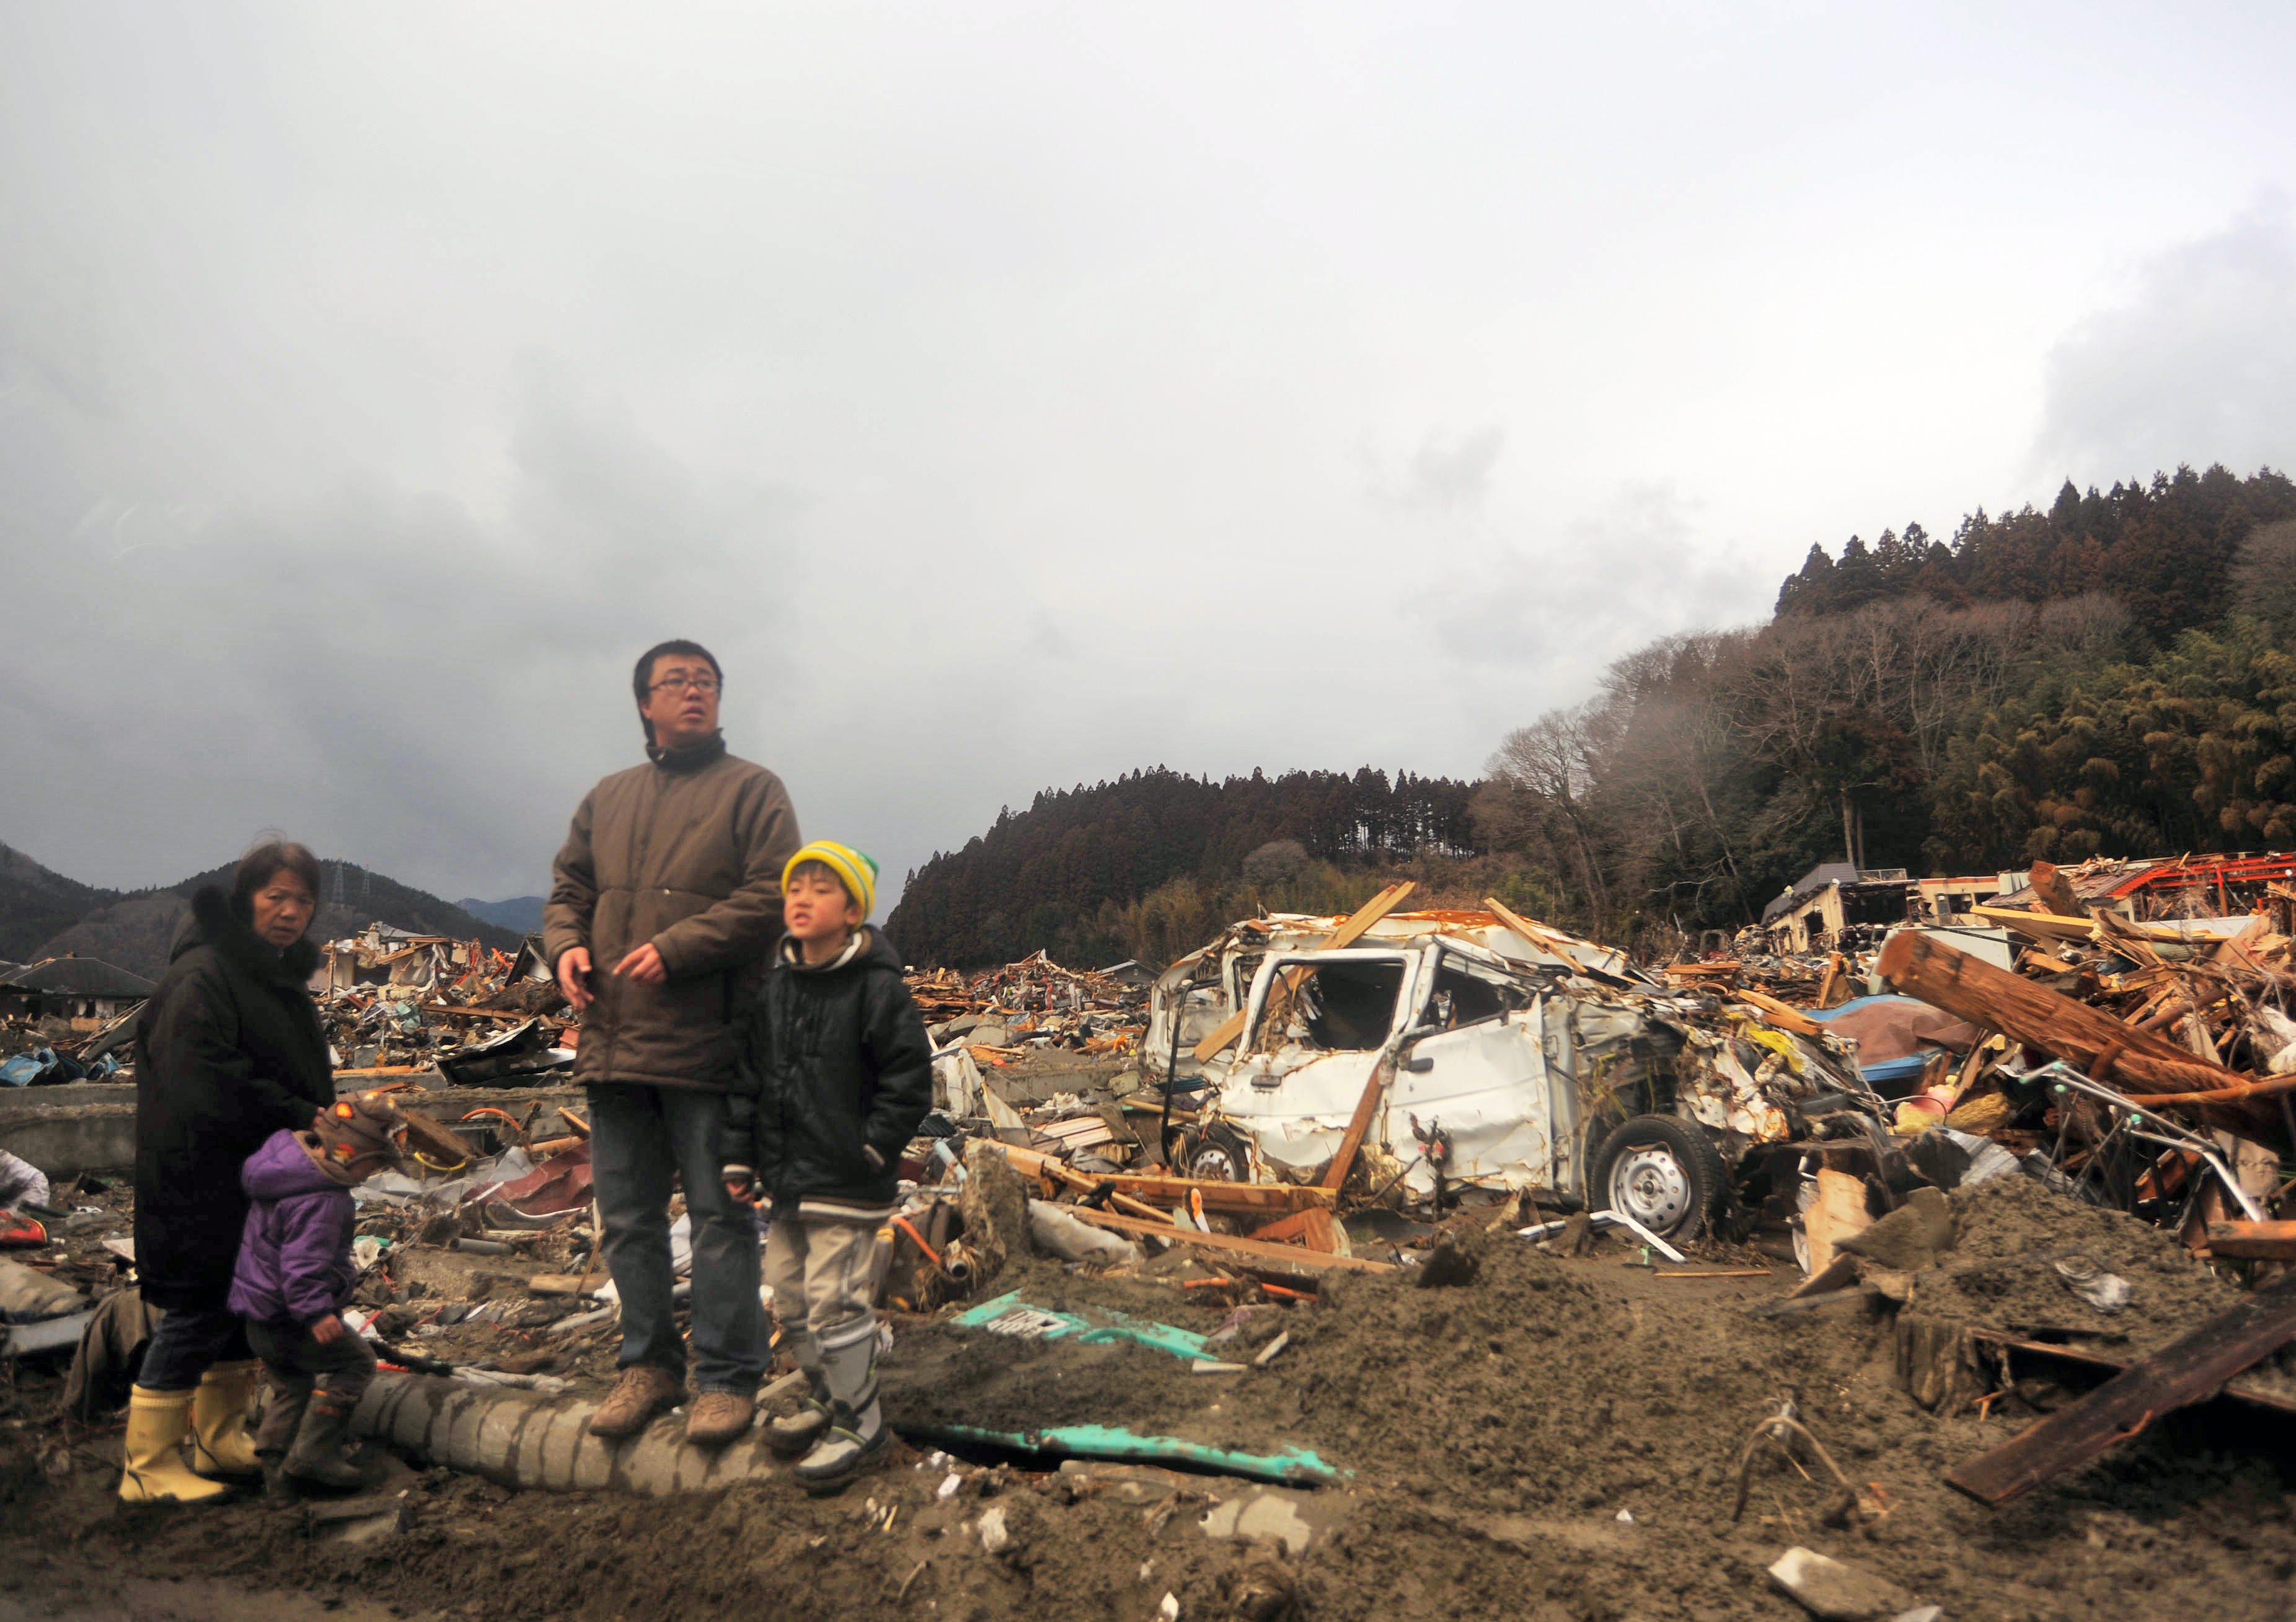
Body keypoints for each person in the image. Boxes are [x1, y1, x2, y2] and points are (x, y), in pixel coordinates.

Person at [544, 639, 802, 1447]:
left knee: (720, 1216)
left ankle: (726, 1379)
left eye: (707, 681)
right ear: (645, 703)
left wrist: (679, 947)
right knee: (628, 1219)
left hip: (711, 1040)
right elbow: (569, 890)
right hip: (614, 1039)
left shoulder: (752, 790)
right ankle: (648, 1367)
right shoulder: (608, 796)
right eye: (676, 681)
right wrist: (565, 947)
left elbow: (773, 895)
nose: (694, 692)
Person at [124, 842, 335, 1504]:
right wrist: (298, 1113)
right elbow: (203, 1079)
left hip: (254, 1176)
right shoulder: (204, 975)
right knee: (195, 1310)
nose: (290, 912)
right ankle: (147, 1464)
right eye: (277, 896)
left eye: (303, 900)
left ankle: (218, 1437)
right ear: (247, 899)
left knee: (237, 1304)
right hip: (200, 1176)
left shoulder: (272, 977)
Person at [720, 840, 933, 1493]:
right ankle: (829, 1395)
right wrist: (740, 1157)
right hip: (788, 1182)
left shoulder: (877, 989)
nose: (802, 899)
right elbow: (749, 1079)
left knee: (834, 1302)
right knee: (789, 1296)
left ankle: (863, 1426)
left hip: (847, 1182)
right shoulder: (776, 990)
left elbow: (909, 1082)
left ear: (851, 912)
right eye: (795, 888)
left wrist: (871, 1149)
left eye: (820, 889)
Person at [227, 1094, 412, 1499]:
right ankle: (315, 1453)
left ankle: (277, 1475)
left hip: (260, 1316)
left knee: (293, 1386)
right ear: (349, 1153)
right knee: (356, 1363)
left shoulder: (284, 1171)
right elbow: (302, 1263)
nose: (371, 1174)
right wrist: (316, 1313)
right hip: (294, 1317)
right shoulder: (324, 1199)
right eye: (373, 1164)